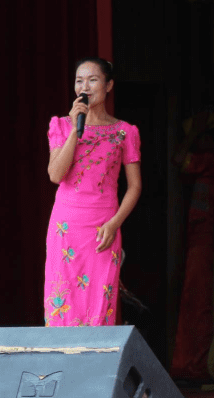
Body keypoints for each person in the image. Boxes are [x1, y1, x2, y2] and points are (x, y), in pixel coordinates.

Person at [45, 58, 142, 327]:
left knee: (99, 306)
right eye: (79, 80)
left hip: (103, 228)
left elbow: (135, 186)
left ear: (108, 85)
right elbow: (55, 175)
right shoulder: (61, 125)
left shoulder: (124, 132)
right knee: (62, 305)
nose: (84, 87)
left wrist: (115, 223)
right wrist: (75, 131)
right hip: (66, 227)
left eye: (93, 80)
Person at [170, 110, 214, 382]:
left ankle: (196, 363)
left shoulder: (209, 161)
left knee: (199, 300)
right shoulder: (203, 164)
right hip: (198, 236)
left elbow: (179, 159)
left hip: (207, 239)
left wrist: (195, 132)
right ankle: (191, 362)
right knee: (195, 299)